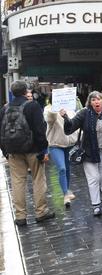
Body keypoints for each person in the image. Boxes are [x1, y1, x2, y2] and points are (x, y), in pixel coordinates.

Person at [0, 81, 55, 226]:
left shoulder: (5, 109)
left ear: (12, 93)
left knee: (17, 182)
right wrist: (43, 149)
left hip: (13, 151)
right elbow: (40, 130)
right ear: (25, 91)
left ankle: (20, 216)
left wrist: (5, 151)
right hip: (33, 150)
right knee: (38, 179)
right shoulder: (32, 106)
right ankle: (41, 212)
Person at [61, 91, 102, 216]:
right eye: (93, 100)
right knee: (93, 179)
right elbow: (70, 127)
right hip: (88, 152)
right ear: (90, 102)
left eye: (98, 99)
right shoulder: (84, 113)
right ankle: (96, 205)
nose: (96, 102)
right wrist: (66, 117)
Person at [44, 101, 79, 207]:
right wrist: (55, 110)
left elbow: (75, 124)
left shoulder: (70, 110)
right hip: (55, 145)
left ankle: (67, 190)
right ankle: (65, 194)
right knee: (62, 168)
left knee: (67, 168)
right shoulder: (48, 109)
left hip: (69, 145)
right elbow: (50, 119)